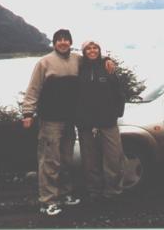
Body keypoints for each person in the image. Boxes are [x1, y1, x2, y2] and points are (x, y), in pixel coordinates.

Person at [22, 29, 115, 216]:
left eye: (66, 39)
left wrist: (107, 60)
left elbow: (93, 59)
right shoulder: (44, 62)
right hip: (50, 120)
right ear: (54, 43)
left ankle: (65, 194)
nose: (63, 42)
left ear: (71, 43)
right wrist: (28, 113)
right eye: (59, 40)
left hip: (70, 119)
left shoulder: (77, 60)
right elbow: (33, 89)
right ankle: (48, 200)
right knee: (50, 160)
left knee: (66, 159)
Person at [76, 40, 126, 202]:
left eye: (95, 48)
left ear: (99, 50)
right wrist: (79, 117)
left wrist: (116, 113)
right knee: (90, 160)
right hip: (86, 123)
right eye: (88, 48)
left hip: (107, 121)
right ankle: (94, 191)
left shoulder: (107, 68)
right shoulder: (79, 69)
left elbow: (119, 92)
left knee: (113, 158)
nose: (92, 51)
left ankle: (113, 191)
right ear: (84, 52)